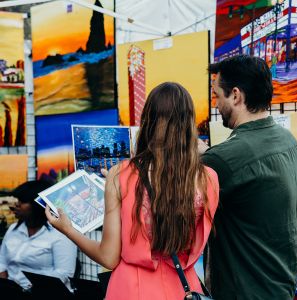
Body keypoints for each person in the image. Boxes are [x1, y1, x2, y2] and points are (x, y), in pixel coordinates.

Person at [46, 82, 219, 299]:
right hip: (184, 287)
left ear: (147, 120)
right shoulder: (208, 179)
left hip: (131, 288)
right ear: (188, 123)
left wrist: (68, 229)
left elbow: (108, 257)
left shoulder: (120, 175)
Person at [201, 55, 297, 300]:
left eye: (217, 96)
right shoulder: (287, 140)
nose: (215, 105)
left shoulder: (223, 159)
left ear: (236, 95)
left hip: (243, 291)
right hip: (280, 285)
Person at [0, 180, 77, 296]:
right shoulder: (14, 229)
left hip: (46, 294)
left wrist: (30, 289)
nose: (16, 205)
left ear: (37, 205)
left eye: (22, 201)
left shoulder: (60, 234)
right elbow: (2, 262)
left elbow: (64, 274)